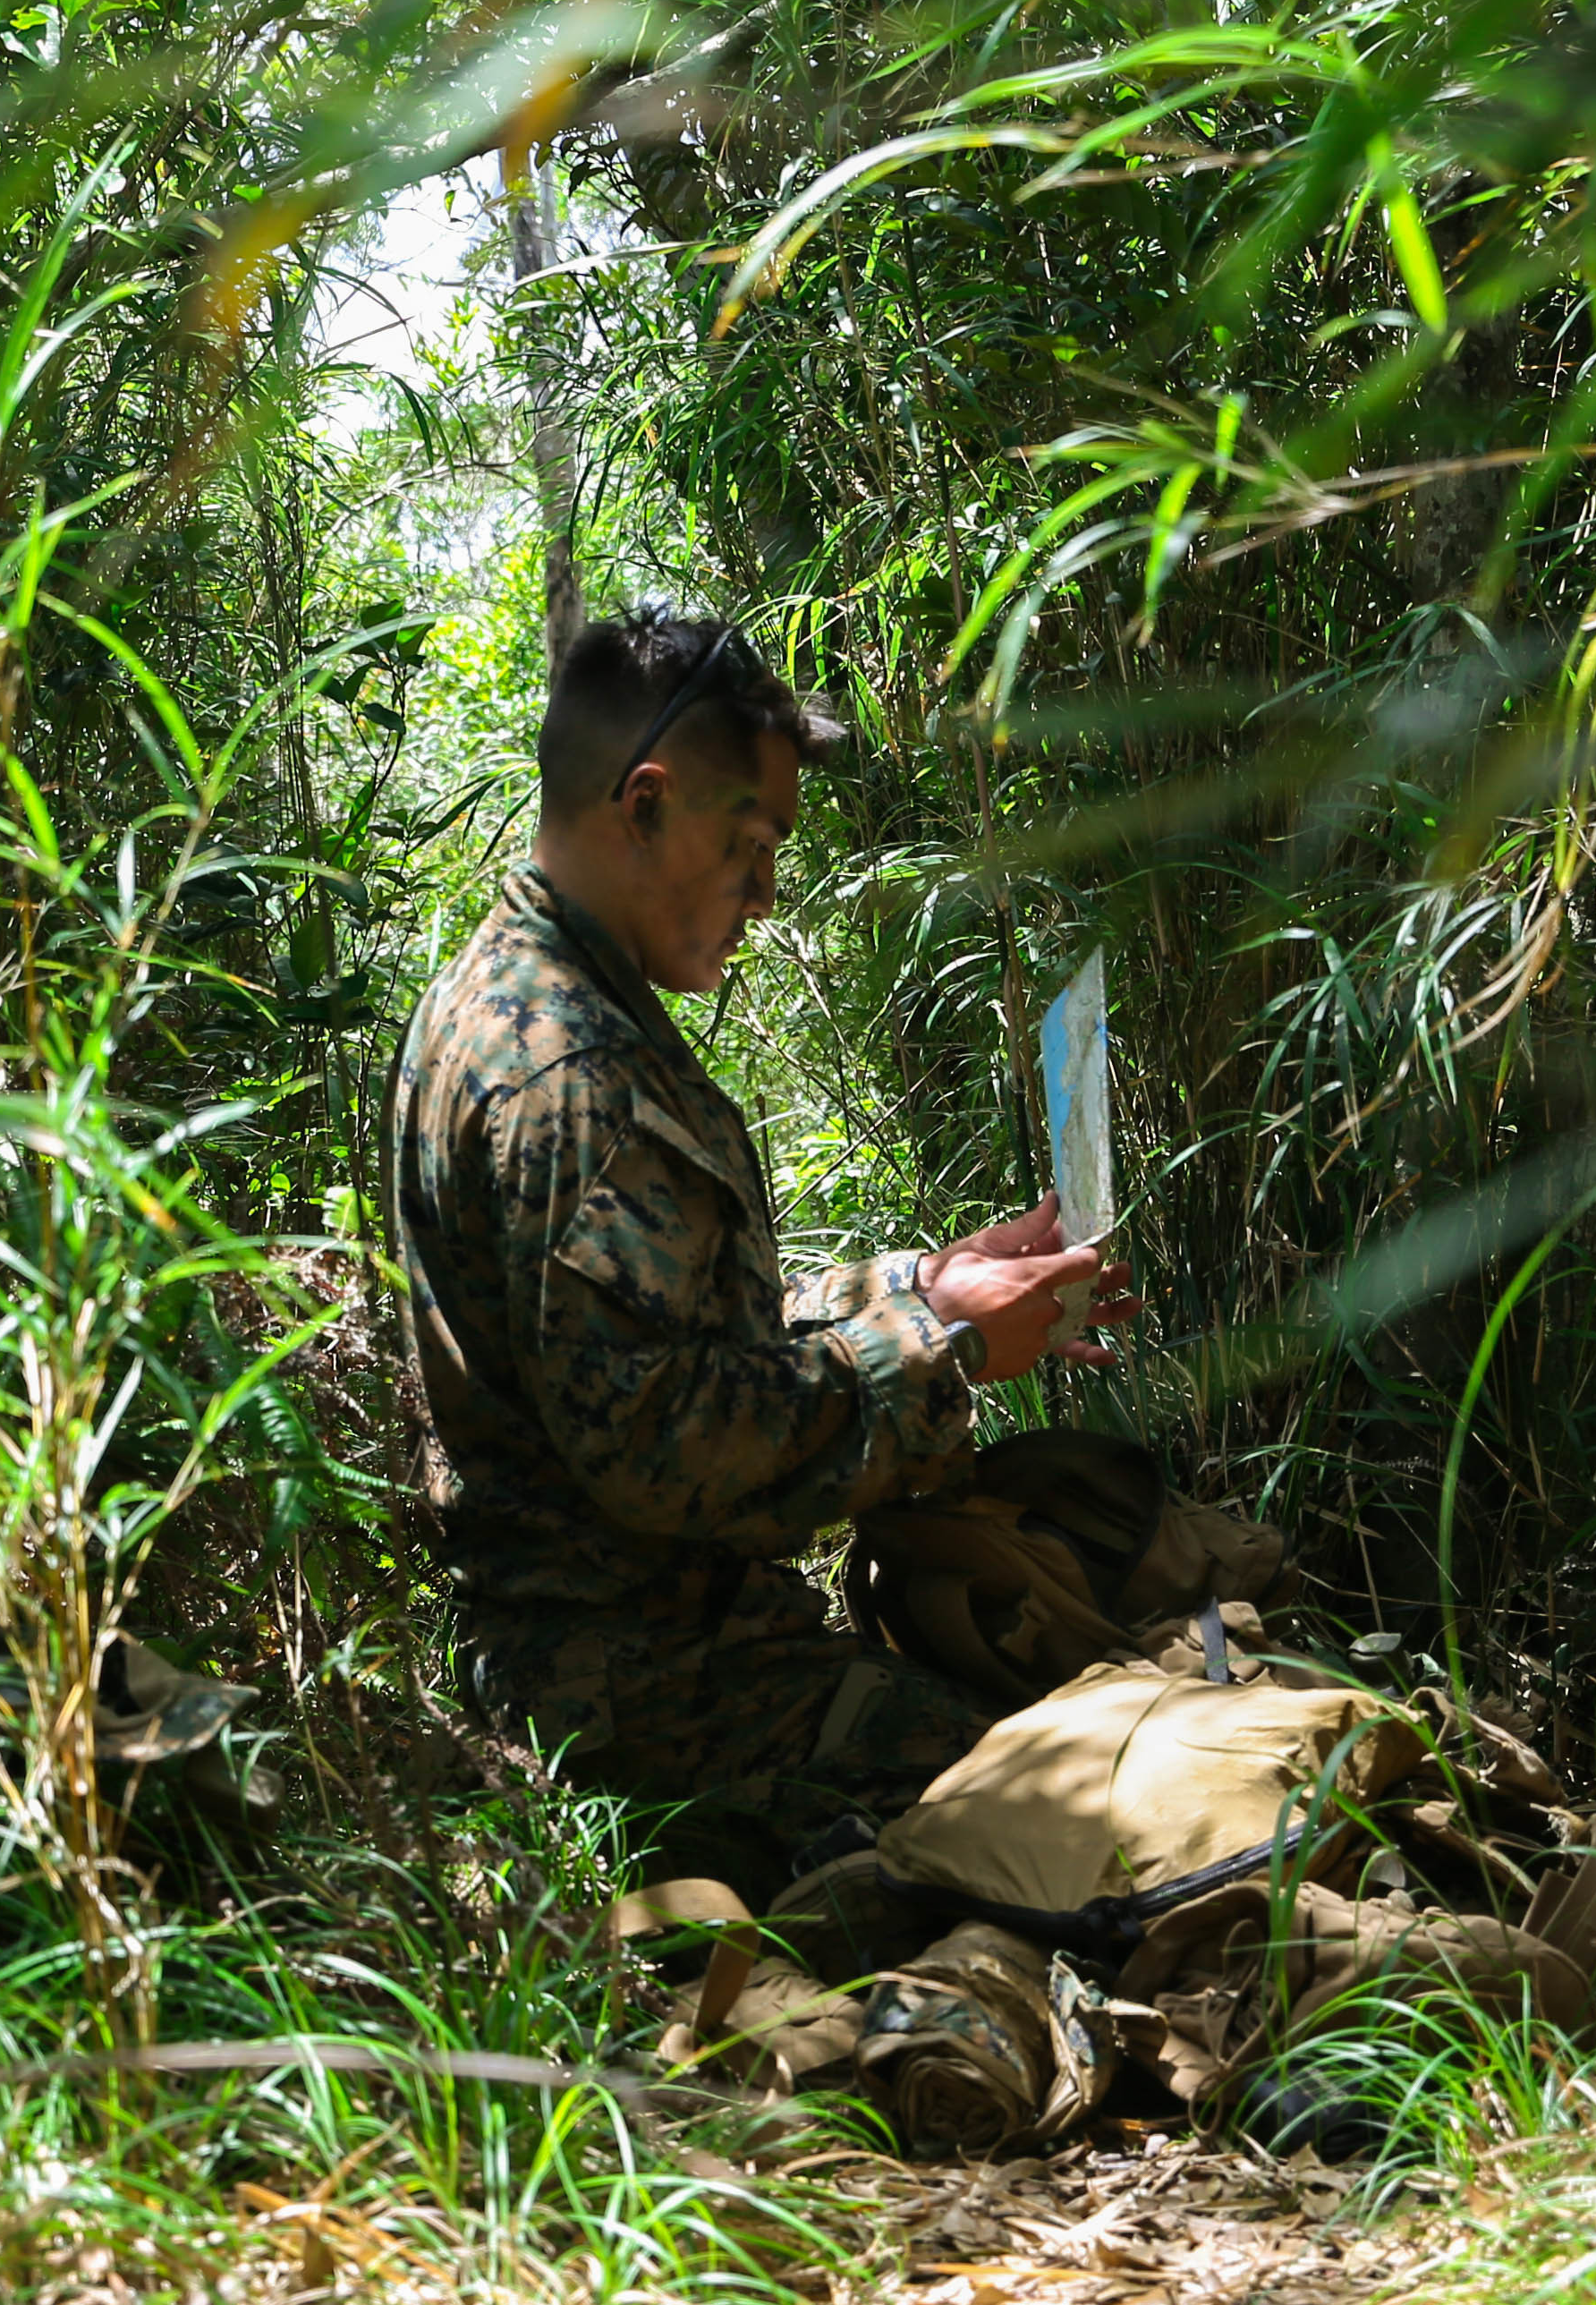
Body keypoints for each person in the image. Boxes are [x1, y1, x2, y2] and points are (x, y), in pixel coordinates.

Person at [387, 608, 1132, 1893]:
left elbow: (659, 1329)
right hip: (637, 1705)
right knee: (1075, 1815)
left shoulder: (518, 995)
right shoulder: (570, 1073)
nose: (767, 893)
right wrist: (943, 1352)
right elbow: (666, 1444)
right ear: (645, 806)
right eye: (750, 845)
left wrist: (922, 1286)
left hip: (637, 1653)